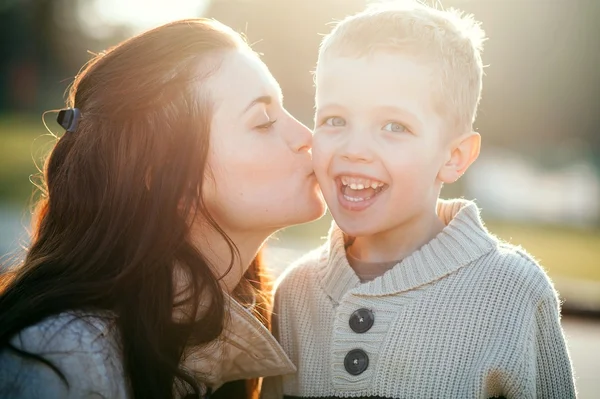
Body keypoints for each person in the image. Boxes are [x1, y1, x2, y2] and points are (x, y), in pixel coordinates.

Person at [262, 1, 576, 398]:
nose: (354, 148)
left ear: (453, 157)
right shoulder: (294, 294)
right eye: (334, 120)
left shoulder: (513, 291)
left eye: (395, 126)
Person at [0, 18, 325, 399]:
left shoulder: (259, 326)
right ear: (165, 175)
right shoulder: (66, 360)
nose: (307, 137)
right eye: (264, 122)